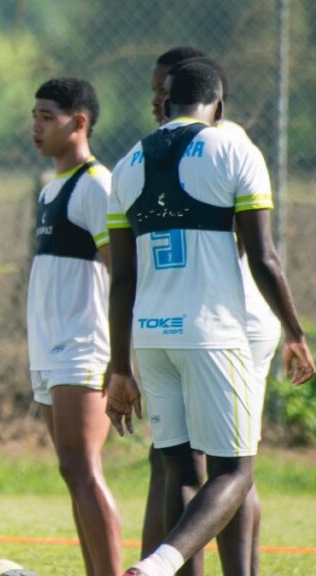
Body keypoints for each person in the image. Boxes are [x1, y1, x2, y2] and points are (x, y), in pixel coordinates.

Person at [105, 62, 315, 576]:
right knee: (236, 472)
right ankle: (159, 564)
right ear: (218, 106)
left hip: (151, 339)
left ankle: (165, 565)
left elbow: (121, 279)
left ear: (168, 100)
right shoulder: (234, 149)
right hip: (212, 334)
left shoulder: (127, 163)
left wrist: (118, 367)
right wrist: (296, 332)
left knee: (180, 468)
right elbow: (263, 258)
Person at [143, 48, 283, 575]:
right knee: (183, 464)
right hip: (188, 324)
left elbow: (248, 252)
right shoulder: (160, 151)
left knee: (229, 467)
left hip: (234, 322)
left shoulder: (225, 144)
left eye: (166, 91)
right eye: (155, 93)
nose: (158, 102)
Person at [27, 77, 122, 576]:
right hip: (49, 349)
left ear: (78, 122)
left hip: (84, 347)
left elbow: (121, 272)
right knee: (71, 471)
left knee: (84, 468)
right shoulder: (51, 190)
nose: (35, 126)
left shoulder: (96, 185)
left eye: (47, 116)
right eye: (35, 116)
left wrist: (121, 358)